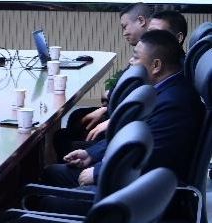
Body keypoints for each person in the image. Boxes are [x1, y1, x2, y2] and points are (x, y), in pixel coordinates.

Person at [45, 29, 203, 188]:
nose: (131, 61)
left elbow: (150, 157)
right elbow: (130, 138)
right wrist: (90, 154)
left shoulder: (173, 104)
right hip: (134, 175)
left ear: (156, 65)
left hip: (143, 190)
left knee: (49, 180)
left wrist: (98, 172)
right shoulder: (165, 90)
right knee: (52, 172)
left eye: (136, 57)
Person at [60, 3, 154, 151]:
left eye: (125, 27)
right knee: (75, 119)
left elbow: (136, 93)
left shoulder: (152, 55)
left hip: (124, 120)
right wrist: (108, 103)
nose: (124, 33)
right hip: (118, 111)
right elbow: (126, 81)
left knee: (65, 136)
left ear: (141, 21)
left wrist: (111, 113)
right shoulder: (143, 49)